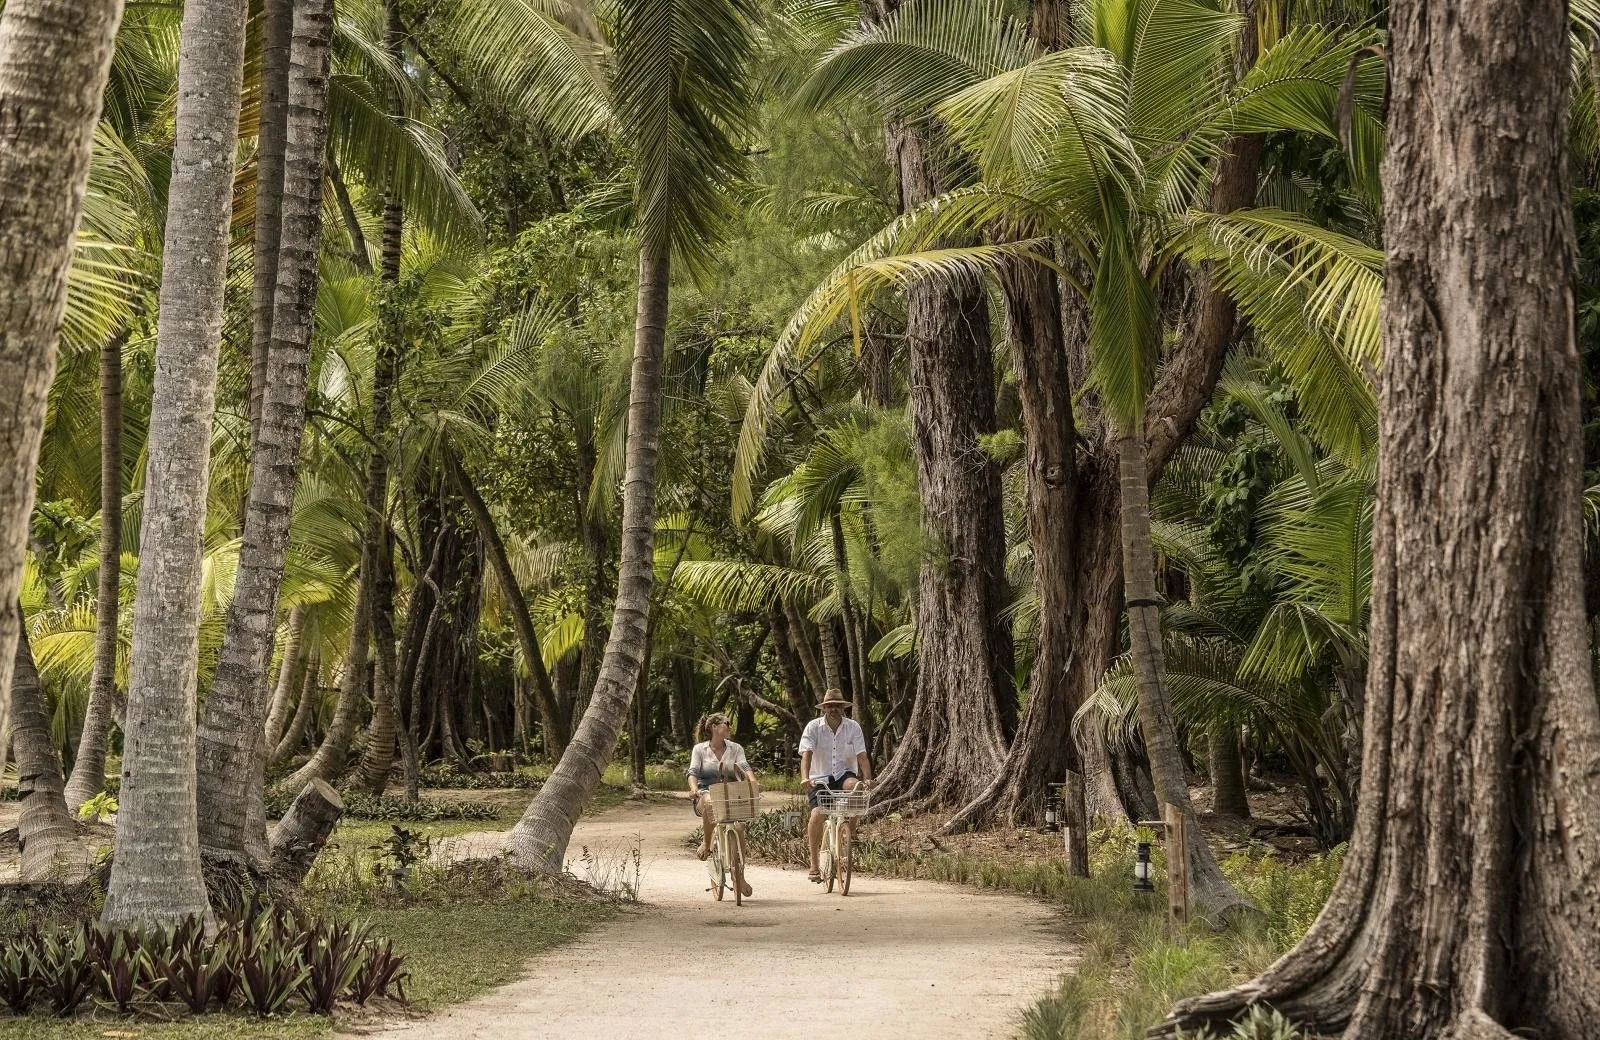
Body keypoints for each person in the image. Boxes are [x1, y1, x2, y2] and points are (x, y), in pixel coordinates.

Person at [798, 689, 872, 883]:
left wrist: (868, 778)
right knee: (817, 815)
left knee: (857, 788)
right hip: (819, 778)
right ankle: (814, 865)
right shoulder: (813, 727)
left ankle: (852, 829)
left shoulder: (853, 727)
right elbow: (806, 755)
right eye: (830, 706)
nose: (833, 709)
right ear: (824, 708)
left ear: (843, 708)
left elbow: (861, 756)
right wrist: (805, 778)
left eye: (837, 706)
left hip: (843, 774)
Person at [687, 711, 758, 897]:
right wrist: (694, 789)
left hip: (731, 795)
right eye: (726, 723)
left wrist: (752, 782)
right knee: (710, 803)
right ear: (714, 727)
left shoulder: (735, 748)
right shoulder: (700, 749)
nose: (729, 727)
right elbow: (693, 772)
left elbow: (745, 767)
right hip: (705, 793)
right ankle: (707, 843)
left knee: (740, 828)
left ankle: (740, 876)